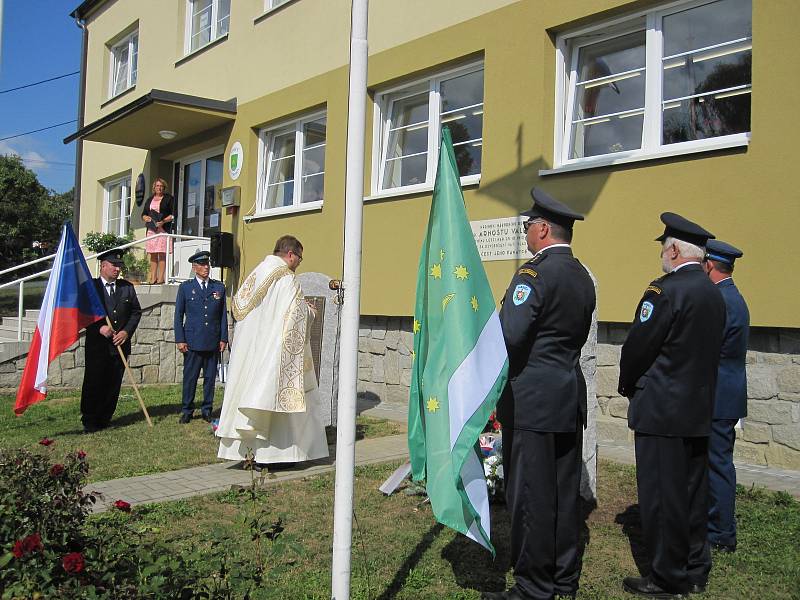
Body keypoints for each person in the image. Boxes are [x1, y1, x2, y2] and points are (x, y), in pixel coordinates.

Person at [486, 188, 596, 600]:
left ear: (545, 229)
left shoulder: (534, 274)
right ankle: (564, 578)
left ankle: (533, 587)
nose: (526, 232)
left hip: (533, 400)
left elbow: (511, 333)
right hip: (568, 397)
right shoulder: (581, 275)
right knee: (564, 495)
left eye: (528, 226)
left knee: (531, 496)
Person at [618, 213, 726, 599]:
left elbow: (638, 347)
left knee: (663, 497)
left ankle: (666, 578)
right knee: (693, 493)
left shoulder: (665, 291)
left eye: (664, 248)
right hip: (697, 408)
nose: (662, 256)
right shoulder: (714, 292)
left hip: (662, 409)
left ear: (676, 249)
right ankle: (696, 568)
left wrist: (627, 383)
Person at [215, 235, 328, 466]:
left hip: (251, 353)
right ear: (290, 254)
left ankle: (248, 453)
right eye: (299, 258)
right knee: (272, 397)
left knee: (251, 391)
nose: (298, 263)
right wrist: (311, 312)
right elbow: (294, 319)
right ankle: (278, 455)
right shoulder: (286, 279)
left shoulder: (256, 274)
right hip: (273, 352)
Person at [703, 239, 749, 554]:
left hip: (718, 395)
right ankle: (717, 526)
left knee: (717, 463)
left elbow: (706, 350)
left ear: (709, 265)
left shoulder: (721, 301)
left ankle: (720, 532)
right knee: (717, 462)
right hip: (726, 392)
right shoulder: (733, 297)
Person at [80, 249, 141, 433]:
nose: (117, 269)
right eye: (114, 265)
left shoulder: (126, 287)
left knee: (113, 383)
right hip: (98, 346)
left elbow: (135, 312)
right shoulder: (91, 287)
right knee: (94, 382)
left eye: (119, 266)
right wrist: (99, 328)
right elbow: (82, 313)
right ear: (103, 265)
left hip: (120, 345)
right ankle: (90, 420)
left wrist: (126, 332)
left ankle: (105, 418)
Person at [174, 250, 228, 424]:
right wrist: (180, 339)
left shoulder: (218, 287)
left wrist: (223, 338)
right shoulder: (186, 287)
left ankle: (207, 409)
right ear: (194, 267)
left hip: (212, 340)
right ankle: (187, 410)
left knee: (210, 378)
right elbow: (178, 315)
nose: (206, 267)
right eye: (202, 264)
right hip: (192, 341)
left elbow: (222, 316)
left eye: (208, 264)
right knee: (190, 377)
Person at [141, 177, 175, 284]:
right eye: (157, 186)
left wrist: (163, 221)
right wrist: (145, 218)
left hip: (163, 230)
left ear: (164, 187)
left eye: (161, 186)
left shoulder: (169, 198)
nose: (159, 188)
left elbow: (173, 214)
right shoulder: (149, 199)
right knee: (153, 254)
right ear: (154, 187)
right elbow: (143, 214)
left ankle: (161, 279)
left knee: (162, 253)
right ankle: (153, 278)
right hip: (152, 230)